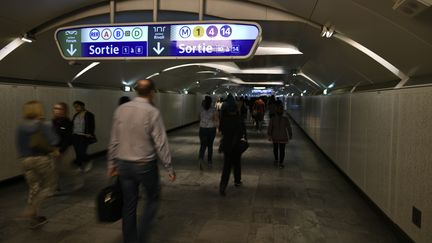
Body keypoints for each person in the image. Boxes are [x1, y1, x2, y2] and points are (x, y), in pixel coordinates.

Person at [107, 79, 176, 243]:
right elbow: (161, 143)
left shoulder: (121, 110)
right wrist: (169, 167)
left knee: (129, 204)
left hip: (123, 164)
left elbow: (114, 140)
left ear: (136, 91)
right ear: (152, 92)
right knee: (153, 199)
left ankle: (130, 240)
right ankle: (142, 237)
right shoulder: (152, 112)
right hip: (145, 165)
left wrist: (111, 164)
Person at [16, 101, 59, 229]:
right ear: (39, 110)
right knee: (49, 186)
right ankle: (31, 209)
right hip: (41, 159)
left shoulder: (20, 127)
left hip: (25, 160)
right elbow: (54, 140)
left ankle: (34, 218)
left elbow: (20, 146)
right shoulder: (44, 125)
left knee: (34, 188)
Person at [219, 94, 247, 196]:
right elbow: (242, 132)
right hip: (236, 146)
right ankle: (237, 180)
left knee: (226, 167)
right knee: (237, 163)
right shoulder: (238, 119)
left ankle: (223, 186)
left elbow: (221, 130)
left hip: (227, 145)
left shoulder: (224, 119)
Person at [71, 100, 96, 172]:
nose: (76, 108)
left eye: (77, 106)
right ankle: (79, 166)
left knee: (81, 151)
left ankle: (89, 160)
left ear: (82, 106)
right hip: (75, 135)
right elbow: (73, 125)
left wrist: (90, 133)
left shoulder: (89, 114)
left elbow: (92, 125)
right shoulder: (76, 115)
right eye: (75, 107)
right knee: (77, 152)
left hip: (84, 136)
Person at [267, 100, 293, 168]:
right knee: (282, 150)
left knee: (275, 149)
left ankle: (276, 160)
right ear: (282, 112)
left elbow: (270, 127)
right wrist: (290, 134)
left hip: (275, 136)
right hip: (283, 137)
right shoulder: (285, 119)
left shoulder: (272, 119)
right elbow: (289, 127)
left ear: (276, 111)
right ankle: (281, 163)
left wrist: (269, 134)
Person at [198, 96, 219, 169]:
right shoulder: (214, 110)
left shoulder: (201, 109)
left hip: (202, 129)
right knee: (210, 146)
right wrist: (218, 127)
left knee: (203, 145)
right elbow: (216, 119)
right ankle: (209, 161)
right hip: (211, 129)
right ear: (211, 102)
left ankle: (201, 158)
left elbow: (199, 118)